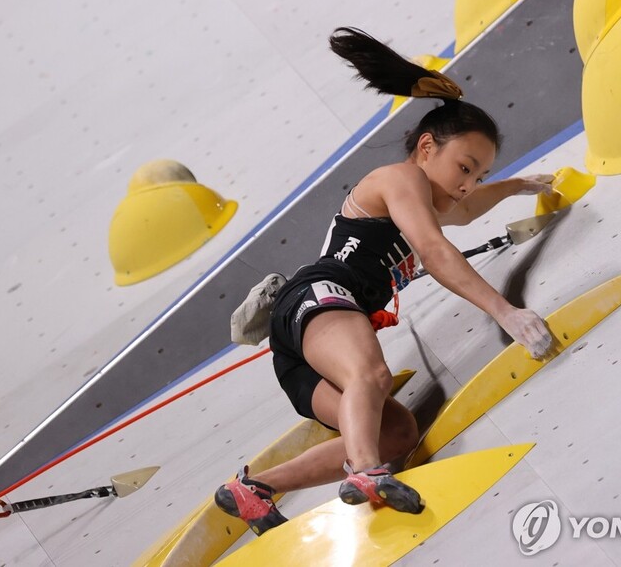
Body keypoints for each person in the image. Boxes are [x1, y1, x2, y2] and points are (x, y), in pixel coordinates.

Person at [214, 27, 555, 536]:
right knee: (370, 378)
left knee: (396, 431)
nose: (467, 185)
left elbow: (465, 209)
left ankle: (252, 489)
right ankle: (365, 476)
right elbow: (437, 249)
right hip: (318, 298)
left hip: (297, 353)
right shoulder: (400, 180)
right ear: (424, 148)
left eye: (477, 175)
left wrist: (519, 186)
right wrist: (505, 311)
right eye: (464, 167)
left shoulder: (427, 195)